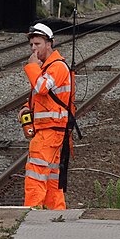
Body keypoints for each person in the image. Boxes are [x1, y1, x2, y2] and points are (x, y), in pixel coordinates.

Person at [21, 22, 74, 210]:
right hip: (50, 131)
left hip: (50, 132)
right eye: (31, 45)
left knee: (36, 175)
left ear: (49, 43)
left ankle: (30, 215)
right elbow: (44, 97)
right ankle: (55, 215)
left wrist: (32, 67)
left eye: (38, 44)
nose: (34, 49)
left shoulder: (57, 67)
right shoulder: (49, 67)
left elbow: (42, 88)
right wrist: (28, 108)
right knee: (52, 180)